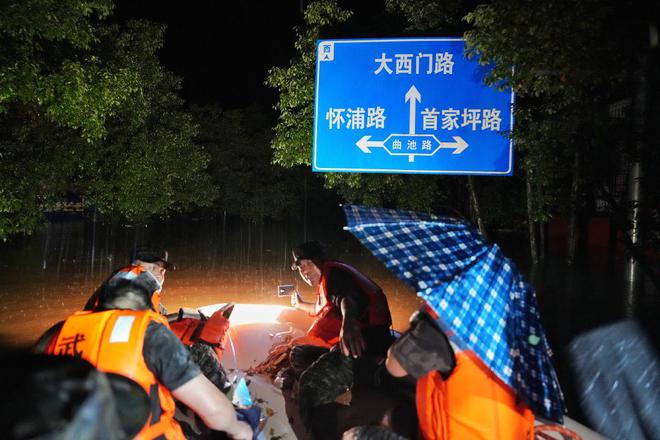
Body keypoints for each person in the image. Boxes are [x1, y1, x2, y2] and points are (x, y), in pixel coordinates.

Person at [35, 268, 253, 440]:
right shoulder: (150, 333)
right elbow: (215, 411)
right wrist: (239, 428)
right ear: (150, 302)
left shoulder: (57, 332)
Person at [346, 303, 535, 440]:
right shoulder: (510, 318)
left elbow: (393, 366)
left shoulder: (447, 314)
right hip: (513, 428)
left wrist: (420, 319)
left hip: (462, 432)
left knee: (355, 436)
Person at [287, 241, 395, 440]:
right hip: (351, 344)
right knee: (298, 353)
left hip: (364, 345)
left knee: (310, 383)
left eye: (307, 264)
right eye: (300, 268)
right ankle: (332, 397)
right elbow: (324, 308)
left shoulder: (336, 276)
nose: (304, 271)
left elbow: (347, 298)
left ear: (320, 260)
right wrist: (300, 304)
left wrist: (349, 321)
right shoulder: (326, 283)